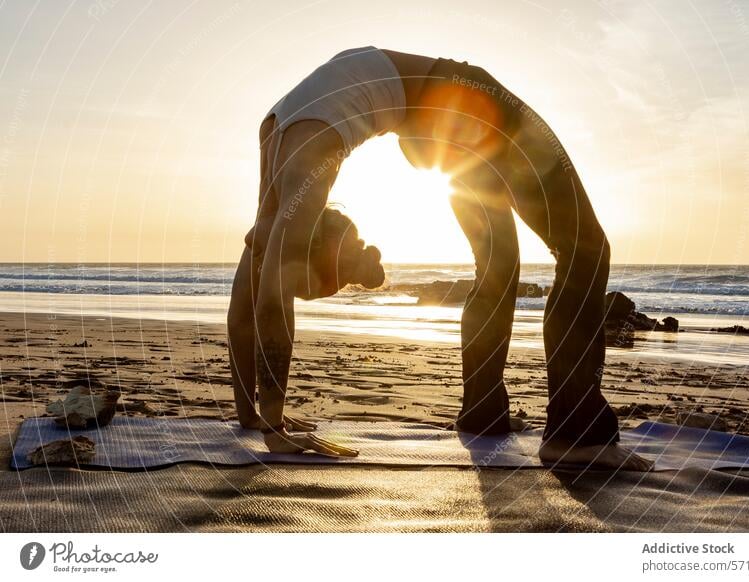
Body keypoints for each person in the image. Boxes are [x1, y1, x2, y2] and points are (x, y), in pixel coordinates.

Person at [227, 46, 652, 470]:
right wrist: (260, 417)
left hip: (457, 105)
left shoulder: (299, 175)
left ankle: (484, 415)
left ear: (310, 243)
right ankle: (575, 436)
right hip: (438, 119)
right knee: (582, 248)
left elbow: (267, 300)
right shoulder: (280, 146)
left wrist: (272, 424)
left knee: (514, 261)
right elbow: (247, 305)